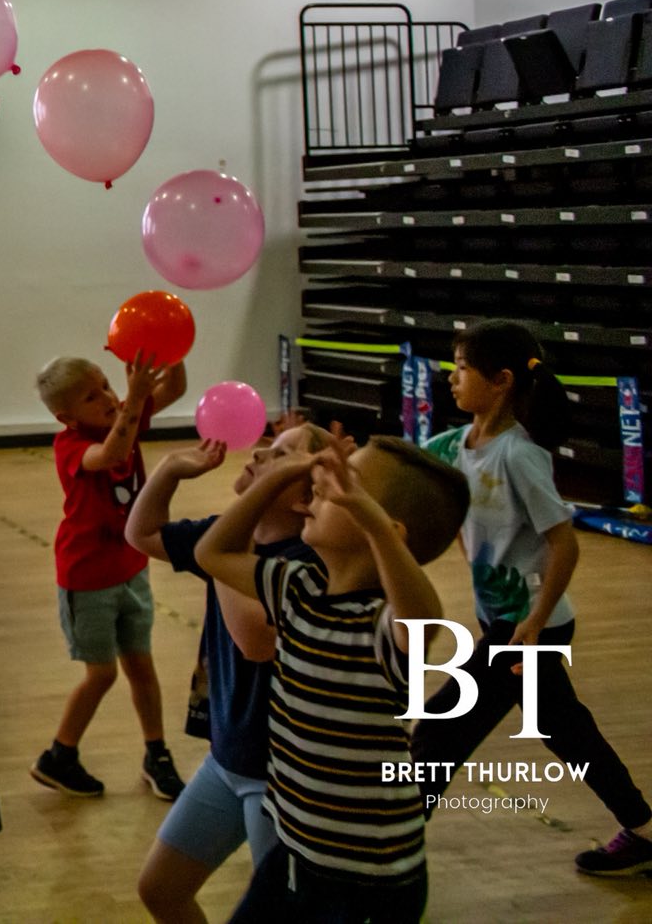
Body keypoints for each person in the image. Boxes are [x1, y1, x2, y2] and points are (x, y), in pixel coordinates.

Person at [411, 320, 652, 878]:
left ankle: (389, 846)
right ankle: (641, 828)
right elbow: (402, 470)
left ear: (500, 381)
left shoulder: (519, 456)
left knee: (441, 730)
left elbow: (563, 544)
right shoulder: (455, 445)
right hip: (508, 623)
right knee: (564, 729)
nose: (452, 377)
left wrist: (537, 621)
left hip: (527, 629)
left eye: (463, 368)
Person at [196, 435, 468, 923]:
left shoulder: (382, 627)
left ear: (387, 529)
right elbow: (213, 552)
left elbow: (425, 619)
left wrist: (372, 523)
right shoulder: (294, 588)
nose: (324, 481)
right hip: (295, 854)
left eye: (350, 481)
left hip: (368, 881)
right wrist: (276, 475)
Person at [126, 424, 331, 923]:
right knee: (161, 890)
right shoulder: (228, 542)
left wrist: (218, 553)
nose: (260, 452)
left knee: (281, 915)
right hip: (227, 759)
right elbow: (141, 533)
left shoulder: (307, 561)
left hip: (280, 774)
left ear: (306, 500)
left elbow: (256, 642)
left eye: (281, 456)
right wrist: (171, 471)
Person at [31, 353, 190, 801]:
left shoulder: (126, 413)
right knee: (101, 674)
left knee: (141, 664)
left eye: (105, 384)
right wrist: (135, 400)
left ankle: (156, 754)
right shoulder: (71, 446)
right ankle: (58, 756)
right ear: (67, 416)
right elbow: (114, 453)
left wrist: (170, 347)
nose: (107, 396)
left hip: (130, 570)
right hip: (87, 578)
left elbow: (174, 387)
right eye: (90, 395)